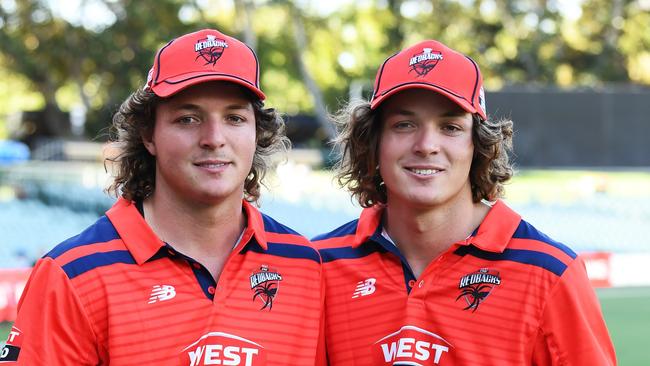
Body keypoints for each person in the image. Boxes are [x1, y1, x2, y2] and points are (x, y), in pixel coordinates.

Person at [1, 29, 325, 365]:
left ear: (257, 132)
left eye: (234, 118)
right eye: (188, 119)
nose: (214, 138)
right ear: (148, 135)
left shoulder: (303, 263)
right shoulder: (74, 274)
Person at [313, 40, 616, 365]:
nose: (427, 145)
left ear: (478, 145)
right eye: (404, 125)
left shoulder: (549, 273)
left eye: (451, 127)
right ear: (373, 143)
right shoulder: (318, 267)